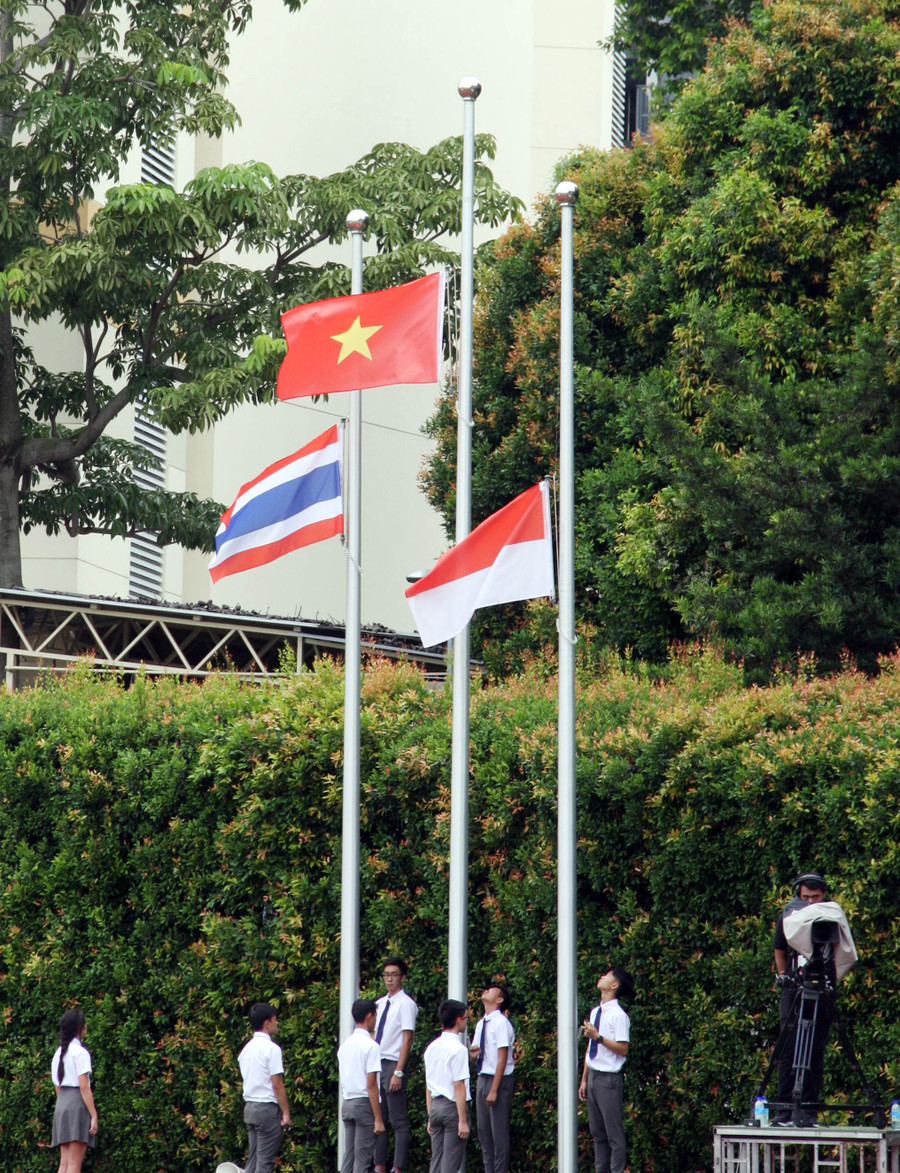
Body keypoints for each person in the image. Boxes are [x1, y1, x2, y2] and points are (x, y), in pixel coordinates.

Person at [772, 871, 833, 1125]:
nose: (810, 903)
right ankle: (784, 1109)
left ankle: (808, 1109)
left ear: (824, 895)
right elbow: (779, 948)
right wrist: (784, 976)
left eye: (815, 897)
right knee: (788, 1047)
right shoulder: (789, 915)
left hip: (823, 988)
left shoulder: (831, 917)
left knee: (815, 1048)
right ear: (798, 894)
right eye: (805, 897)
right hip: (794, 988)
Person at [578, 966, 634, 1173]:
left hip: (609, 1079)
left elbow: (623, 1048)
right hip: (594, 1077)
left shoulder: (619, 1016)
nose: (602, 976)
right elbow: (590, 1049)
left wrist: (599, 1037)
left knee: (614, 1136)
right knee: (597, 1134)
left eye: (607, 975)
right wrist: (584, 1079)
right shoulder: (596, 1012)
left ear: (614, 985)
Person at [373, 955, 418, 1173]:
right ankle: (379, 1166)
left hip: (393, 1063)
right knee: (378, 1118)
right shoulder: (380, 1004)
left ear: (402, 977)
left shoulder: (406, 1004)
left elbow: (407, 1039)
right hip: (377, 1063)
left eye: (394, 975)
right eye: (386, 975)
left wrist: (399, 1071)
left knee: (398, 1120)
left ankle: (397, 1168)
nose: (389, 979)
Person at [238, 1002, 291, 1173]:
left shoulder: (246, 1050)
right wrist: (285, 1112)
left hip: (250, 1108)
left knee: (252, 1161)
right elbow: (277, 1084)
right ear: (267, 1023)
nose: (277, 1023)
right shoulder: (272, 1049)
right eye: (275, 1020)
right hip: (266, 1110)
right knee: (265, 1163)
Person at [469, 984, 515, 1173]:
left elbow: (502, 1057)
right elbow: (477, 1055)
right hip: (483, 1077)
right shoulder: (481, 1023)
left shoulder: (501, 1023)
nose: (486, 990)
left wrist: (494, 1089)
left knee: (498, 1133)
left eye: (492, 990)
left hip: (498, 1080)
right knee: (484, 1132)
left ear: (499, 999)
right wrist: (473, 1056)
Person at [338, 998, 386, 1173]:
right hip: (364, 1104)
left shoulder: (344, 1046)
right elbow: (371, 1085)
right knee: (362, 1158)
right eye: (375, 1016)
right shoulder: (371, 1046)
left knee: (349, 1156)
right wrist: (378, 1119)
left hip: (348, 1103)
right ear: (369, 1016)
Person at [424, 999, 471, 1173]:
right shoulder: (458, 1049)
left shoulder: (431, 1047)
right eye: (465, 1017)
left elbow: (428, 1084)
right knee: (451, 1163)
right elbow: (459, 1085)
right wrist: (463, 1120)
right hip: (452, 1108)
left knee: (437, 1160)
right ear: (459, 1019)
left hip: (435, 1106)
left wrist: (430, 1115)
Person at [51, 1006, 98, 1173]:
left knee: (64, 1163)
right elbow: (84, 1087)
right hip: (77, 1105)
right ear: (80, 1028)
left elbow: (57, 1086)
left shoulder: (58, 1054)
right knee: (73, 1164)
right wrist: (93, 1115)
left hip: (61, 1105)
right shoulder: (81, 1053)